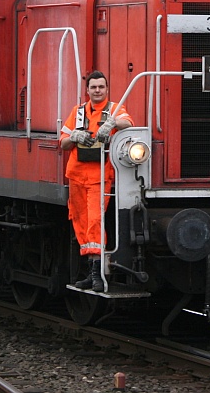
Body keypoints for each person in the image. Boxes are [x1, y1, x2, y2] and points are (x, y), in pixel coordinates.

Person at [60, 70, 133, 291]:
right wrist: (74, 136)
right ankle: (91, 272)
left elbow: (128, 123)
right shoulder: (78, 112)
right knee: (80, 223)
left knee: (94, 223)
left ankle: (98, 275)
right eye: (93, 87)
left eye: (101, 87)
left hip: (99, 177)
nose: (97, 90)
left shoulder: (114, 109)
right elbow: (62, 142)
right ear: (88, 90)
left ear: (107, 89)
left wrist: (111, 125)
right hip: (76, 176)